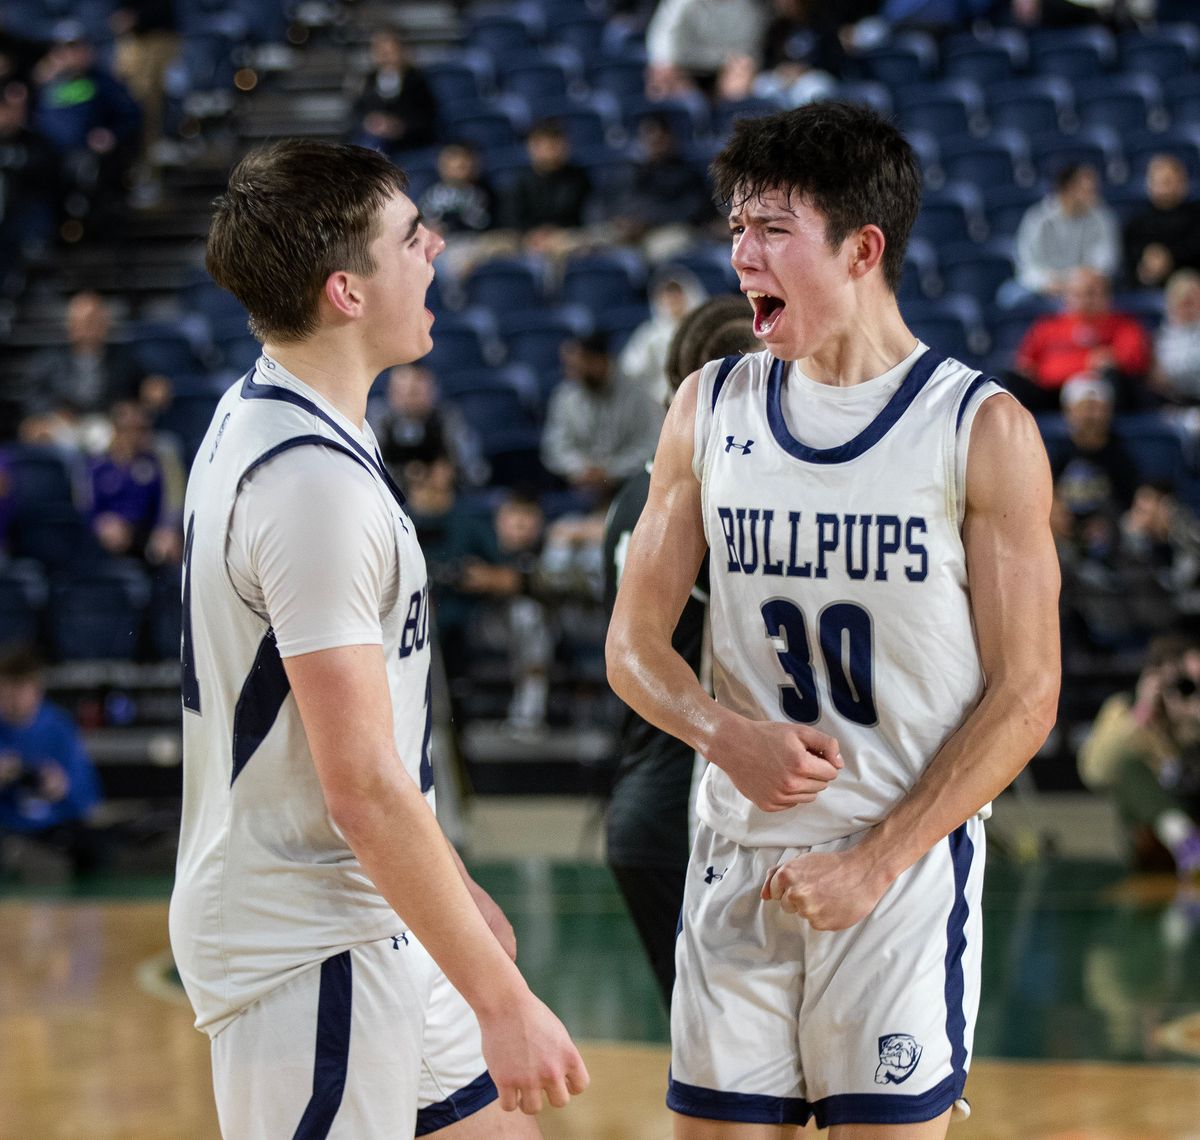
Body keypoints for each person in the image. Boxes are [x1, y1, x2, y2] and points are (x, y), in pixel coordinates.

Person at [605, 101, 1060, 1136]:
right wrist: (726, 735)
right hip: (736, 862)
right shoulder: (706, 407)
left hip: (896, 869)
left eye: (771, 231)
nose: (741, 258)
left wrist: (876, 860)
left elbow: (1029, 693)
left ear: (863, 249)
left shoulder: (979, 427)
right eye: (735, 230)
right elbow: (632, 648)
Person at [168, 139, 587, 1138]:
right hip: (309, 950)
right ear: (347, 291)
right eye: (411, 236)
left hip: (368, 915)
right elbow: (357, 785)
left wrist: (444, 882)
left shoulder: (273, 412)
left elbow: (365, 760)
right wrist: (502, 1000)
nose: (436, 248)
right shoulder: (310, 486)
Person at [604, 294, 757, 1009]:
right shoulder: (707, 501)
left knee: (723, 1065)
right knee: (738, 1066)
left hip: (648, 796)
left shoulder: (638, 489)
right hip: (688, 812)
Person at [1078, 634, 1200, 876]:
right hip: (1158, 833)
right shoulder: (1128, 710)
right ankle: (1188, 844)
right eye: (1183, 684)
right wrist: (1140, 715)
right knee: (1128, 768)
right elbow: (1095, 773)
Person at [0, 644, 105, 878]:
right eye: (5, 690)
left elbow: (89, 798)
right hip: (9, 831)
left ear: (36, 690)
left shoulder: (59, 727)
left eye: (19, 690)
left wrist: (61, 786)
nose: (11, 700)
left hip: (53, 831)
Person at [1011, 268, 1152, 412]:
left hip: (1102, 397)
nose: (1084, 300)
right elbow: (1025, 364)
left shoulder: (1125, 326)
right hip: (1051, 394)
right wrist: (1086, 362)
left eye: (1090, 293)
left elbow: (1131, 361)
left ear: (1106, 295)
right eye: (1076, 294)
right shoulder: (1047, 327)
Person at [1010, 164, 1119, 303]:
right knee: (1010, 297)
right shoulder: (1037, 218)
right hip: (1044, 287)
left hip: (1087, 288)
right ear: (1068, 189)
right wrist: (1046, 283)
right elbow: (1026, 264)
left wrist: (1079, 283)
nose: (1094, 194)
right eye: (1088, 189)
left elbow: (1106, 262)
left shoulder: (1102, 217)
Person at [350, 26, 439, 157]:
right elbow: (356, 114)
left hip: (408, 144)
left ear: (402, 51)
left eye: (389, 51)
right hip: (372, 139)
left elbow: (427, 117)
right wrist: (369, 122)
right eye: (380, 51)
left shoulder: (417, 80)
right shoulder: (367, 81)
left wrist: (399, 127)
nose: (385, 56)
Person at [1121, 154, 1200, 292]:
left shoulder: (1196, 216)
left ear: (1183, 183)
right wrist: (1147, 263)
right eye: (1158, 182)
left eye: (1168, 181)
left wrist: (1169, 258)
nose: (1163, 188)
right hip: (1147, 286)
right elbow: (1129, 261)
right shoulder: (1136, 223)